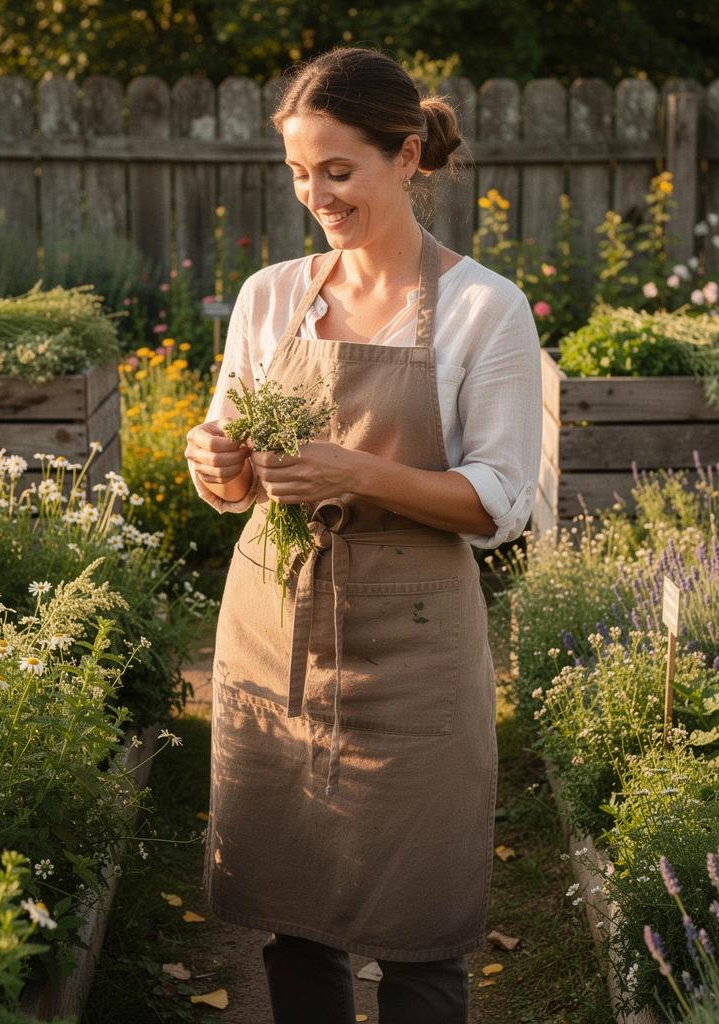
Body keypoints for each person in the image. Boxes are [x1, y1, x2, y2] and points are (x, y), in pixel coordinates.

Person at [185, 46, 542, 1024]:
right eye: (300, 173)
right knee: (292, 915)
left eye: (337, 170)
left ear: (408, 155)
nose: (317, 196)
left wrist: (360, 473)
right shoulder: (269, 298)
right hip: (274, 620)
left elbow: (500, 500)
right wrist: (218, 465)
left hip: (415, 641)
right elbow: (230, 455)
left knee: (419, 929)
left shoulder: (482, 309)